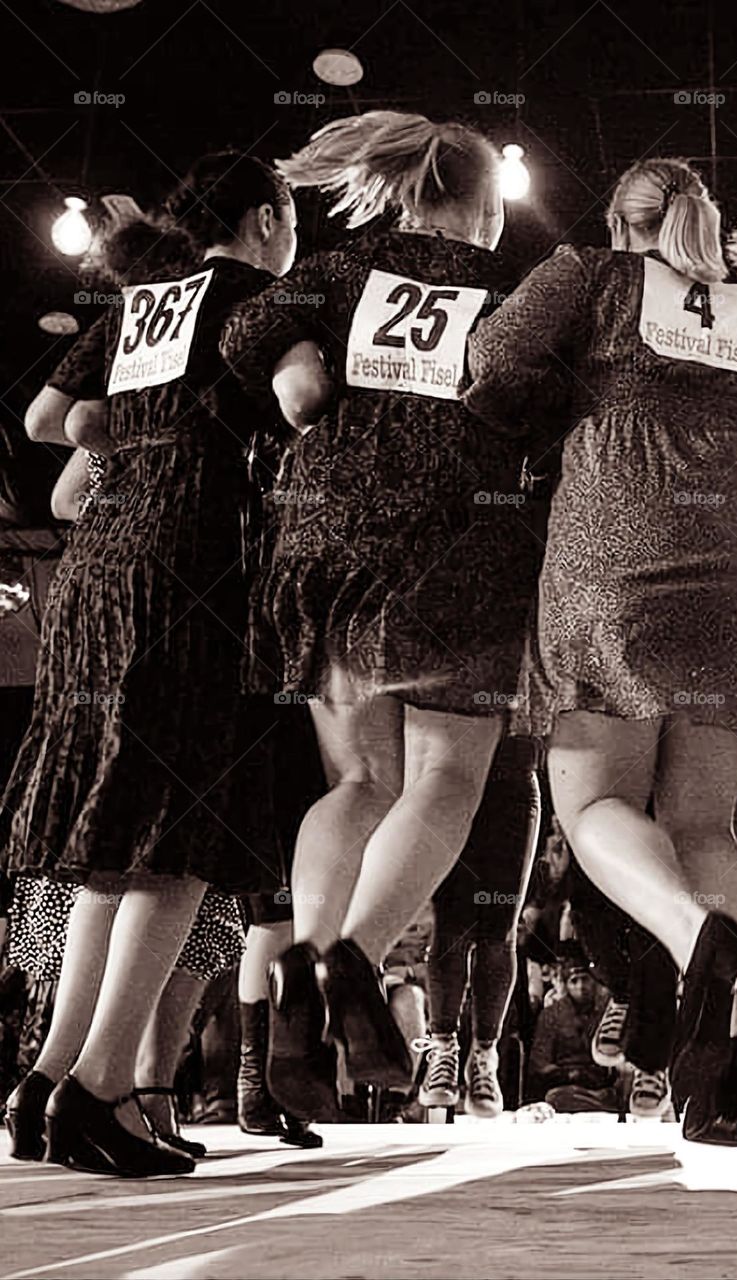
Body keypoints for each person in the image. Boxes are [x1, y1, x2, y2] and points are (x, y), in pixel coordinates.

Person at [465, 157, 737, 1144]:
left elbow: (491, 369)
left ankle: (696, 937)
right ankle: (714, 1071)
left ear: (623, 222)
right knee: (707, 821)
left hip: (623, 525)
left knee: (595, 800)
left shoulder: (588, 274)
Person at [220, 111, 540, 1097]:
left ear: (404, 190)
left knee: (359, 780)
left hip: (326, 538)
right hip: (459, 542)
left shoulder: (332, 272)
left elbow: (255, 344)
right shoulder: (510, 288)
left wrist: (294, 363)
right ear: (485, 206)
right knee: (446, 775)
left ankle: (303, 974)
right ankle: (350, 953)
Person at [1, 152, 299, 1177]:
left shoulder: (151, 302)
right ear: (266, 220)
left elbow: (46, 423)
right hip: (188, 563)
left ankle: (47, 1078)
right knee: (182, 835)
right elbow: (305, 403)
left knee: (115, 835)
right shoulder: (261, 294)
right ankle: (104, 1092)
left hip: (94, 569)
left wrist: (131, 434)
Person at [419, 733, 542, 1118]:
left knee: (499, 931)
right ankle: (443, 1050)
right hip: (450, 775)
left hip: (513, 775)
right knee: (450, 926)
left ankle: (484, 1057)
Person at [529, 945, 619, 1113]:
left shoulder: (609, 1010)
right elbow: (540, 1064)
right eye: (574, 981)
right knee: (555, 1097)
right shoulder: (551, 1015)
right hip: (566, 1088)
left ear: (594, 981)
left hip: (604, 1087)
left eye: (585, 979)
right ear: (566, 984)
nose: (581, 987)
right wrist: (572, 1074)